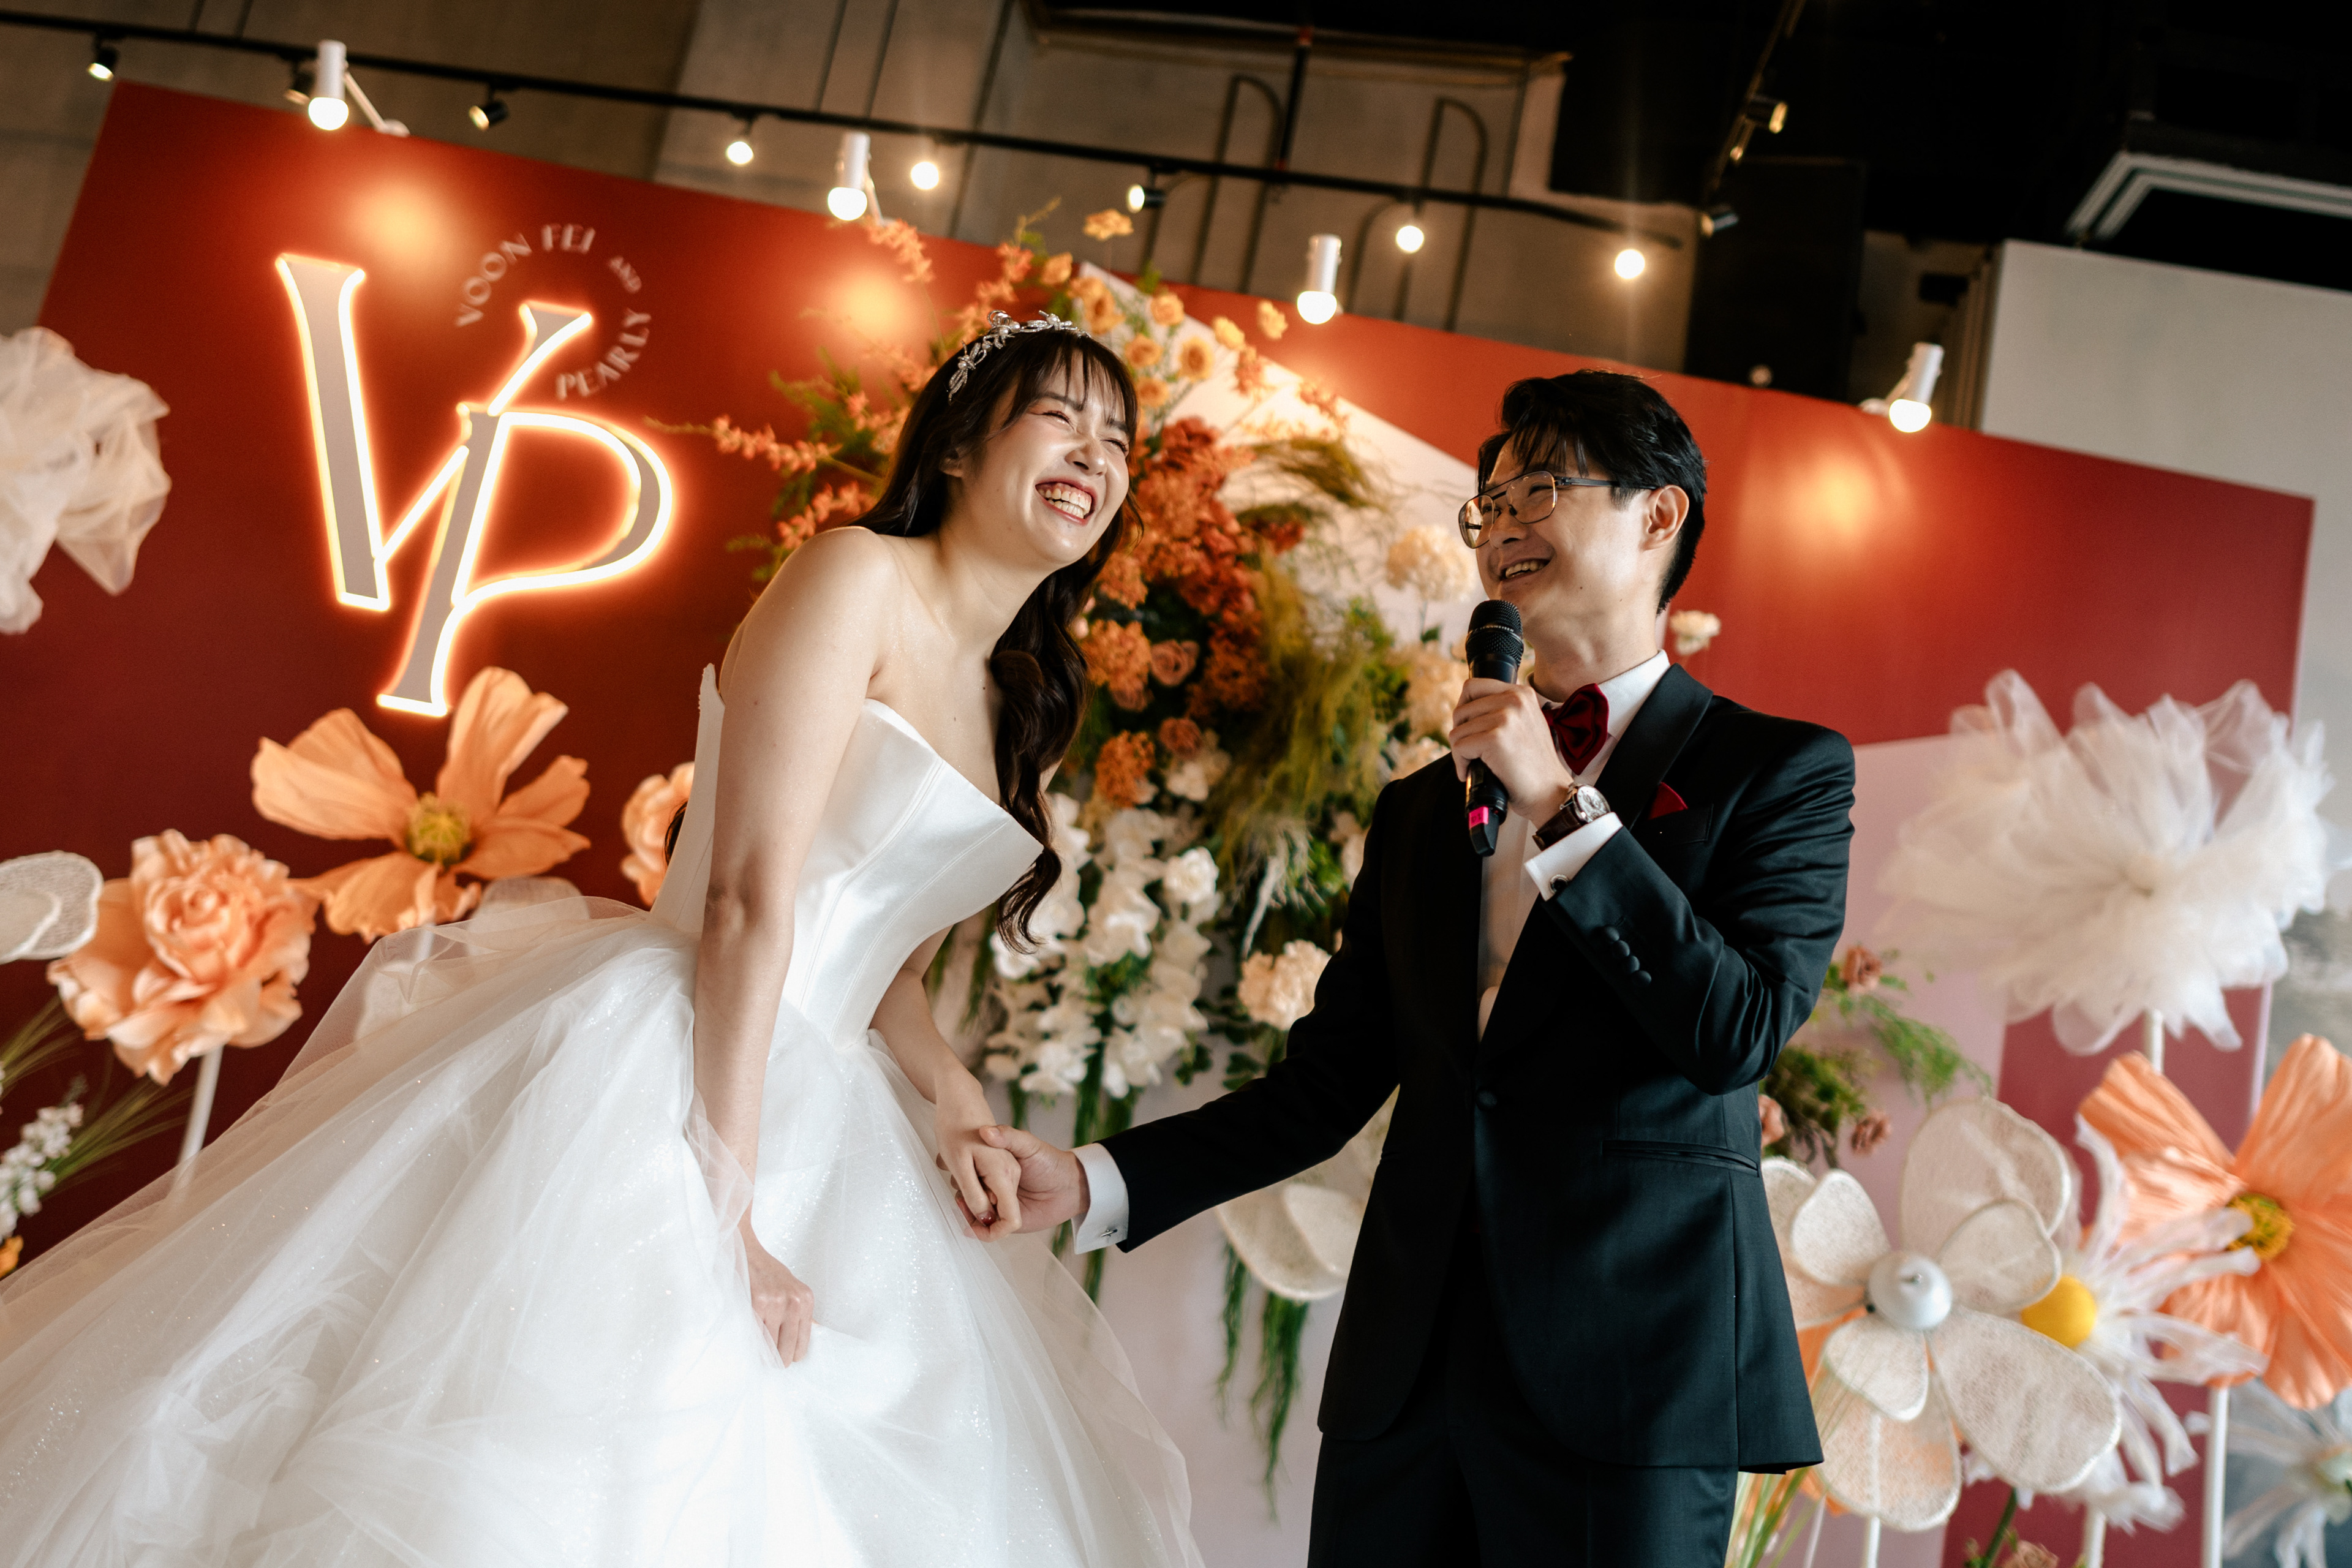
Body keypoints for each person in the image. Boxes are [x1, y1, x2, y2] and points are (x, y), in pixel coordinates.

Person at [0, 314, 1200, 1568]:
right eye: (1060, 416)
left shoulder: (1025, 705)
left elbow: (890, 966)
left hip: (843, 1108)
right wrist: (727, 1211)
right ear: (957, 446)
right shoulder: (854, 577)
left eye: (1120, 441)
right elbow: (748, 898)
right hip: (675, 1058)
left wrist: (951, 1099)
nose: (1095, 454)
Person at [986, 370, 1855, 1566]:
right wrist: (1093, 1180)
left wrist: (1560, 803)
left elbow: (1736, 1030)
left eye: (1538, 491)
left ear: (1659, 515)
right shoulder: (1421, 810)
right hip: (1405, 1389)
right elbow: (1324, 1086)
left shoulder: (1779, 770)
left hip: (1630, 1388)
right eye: (1487, 506)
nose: (1501, 528)